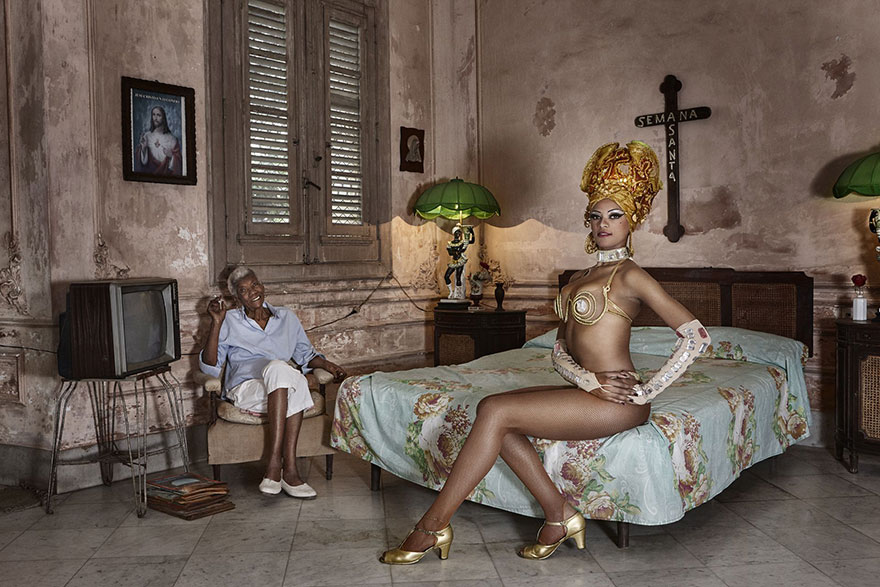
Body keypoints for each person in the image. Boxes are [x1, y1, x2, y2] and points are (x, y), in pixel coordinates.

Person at [380, 141, 711, 564]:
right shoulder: (579, 277)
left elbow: (696, 336)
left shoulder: (630, 274)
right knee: (492, 410)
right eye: (596, 215)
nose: (603, 223)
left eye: (615, 215)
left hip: (617, 405)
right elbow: (559, 350)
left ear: (633, 222)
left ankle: (432, 526)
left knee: (497, 412)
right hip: (586, 390)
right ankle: (560, 515)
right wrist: (588, 379)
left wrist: (647, 392)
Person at [199, 266, 347, 498]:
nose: (253, 292)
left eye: (255, 284)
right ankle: (284, 467)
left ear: (262, 285)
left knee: (286, 374)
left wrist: (329, 366)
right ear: (237, 298)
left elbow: (306, 355)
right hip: (248, 390)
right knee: (283, 369)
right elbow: (209, 365)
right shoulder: (230, 321)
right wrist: (216, 323)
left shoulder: (286, 317)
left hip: (281, 391)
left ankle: (281, 471)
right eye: (244, 290)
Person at [135, 106, 182, 175]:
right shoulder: (147, 136)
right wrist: (143, 148)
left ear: (163, 118)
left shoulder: (172, 139)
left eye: (158, 115)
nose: (155, 118)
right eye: (153, 115)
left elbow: (179, 163)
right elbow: (142, 163)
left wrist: (172, 156)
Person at [443, 225, 475, 299]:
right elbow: (450, 253)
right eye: (457, 232)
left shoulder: (463, 242)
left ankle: (458, 294)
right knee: (446, 276)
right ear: (454, 233)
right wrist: (456, 251)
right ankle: (451, 291)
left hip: (460, 260)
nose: (459, 234)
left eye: (460, 232)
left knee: (458, 277)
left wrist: (472, 232)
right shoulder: (450, 243)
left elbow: (472, 241)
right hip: (454, 261)